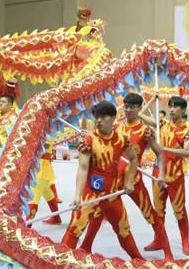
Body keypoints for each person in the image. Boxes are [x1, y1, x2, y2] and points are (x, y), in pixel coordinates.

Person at [79, 93, 174, 259]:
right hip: (112, 183)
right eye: (126, 107)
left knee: (151, 215)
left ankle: (168, 253)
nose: (128, 110)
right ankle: (85, 247)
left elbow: (160, 153)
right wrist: (86, 135)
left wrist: (162, 174)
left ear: (139, 108)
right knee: (98, 213)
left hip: (133, 182)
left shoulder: (145, 131)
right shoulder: (116, 127)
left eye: (132, 107)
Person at [60, 101, 144, 260]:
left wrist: (129, 181)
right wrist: (77, 196)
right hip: (90, 194)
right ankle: (59, 265)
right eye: (96, 117)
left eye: (102, 117)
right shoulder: (88, 140)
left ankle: (139, 262)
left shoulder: (122, 139)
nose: (98, 120)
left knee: (124, 230)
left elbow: (133, 159)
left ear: (112, 118)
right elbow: (82, 169)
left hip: (112, 195)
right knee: (75, 228)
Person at [147, 95, 189, 255]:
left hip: (174, 177)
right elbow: (141, 116)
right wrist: (151, 100)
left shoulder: (187, 132)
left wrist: (165, 149)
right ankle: (158, 239)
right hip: (157, 174)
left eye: (175, 107)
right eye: (170, 106)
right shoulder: (162, 124)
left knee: (179, 211)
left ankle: (185, 241)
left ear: (183, 110)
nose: (172, 109)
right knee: (158, 210)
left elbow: (187, 152)